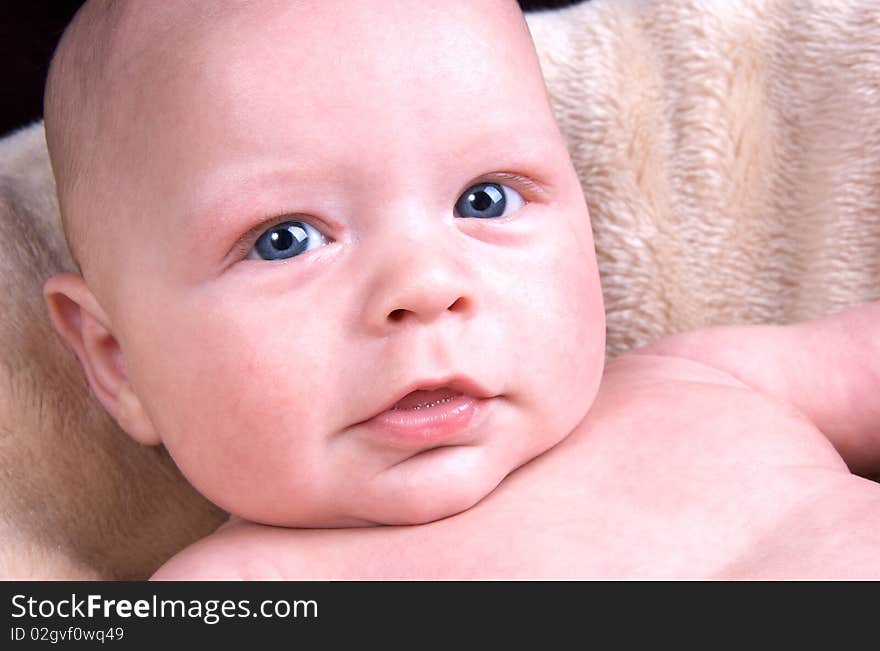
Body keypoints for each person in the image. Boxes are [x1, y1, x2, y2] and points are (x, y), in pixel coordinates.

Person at [40, 0, 879, 579]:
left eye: (486, 199)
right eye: (284, 239)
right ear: (117, 362)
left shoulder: (703, 382)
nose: (425, 287)